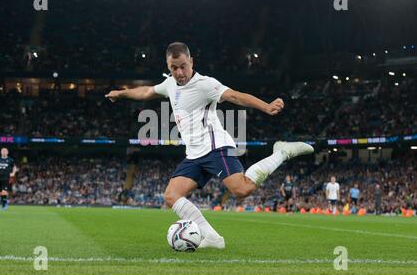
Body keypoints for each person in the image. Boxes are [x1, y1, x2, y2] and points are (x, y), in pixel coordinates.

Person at [105, 42, 314, 249]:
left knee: (241, 190)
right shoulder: (169, 84)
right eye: (174, 68)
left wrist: (266, 106)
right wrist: (120, 93)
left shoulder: (205, 84)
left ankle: (282, 153)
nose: (179, 72)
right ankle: (212, 238)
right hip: (194, 155)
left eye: (183, 66)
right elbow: (146, 92)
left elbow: (234, 95)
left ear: (191, 62)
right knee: (171, 195)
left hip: (216, 148)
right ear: (168, 67)